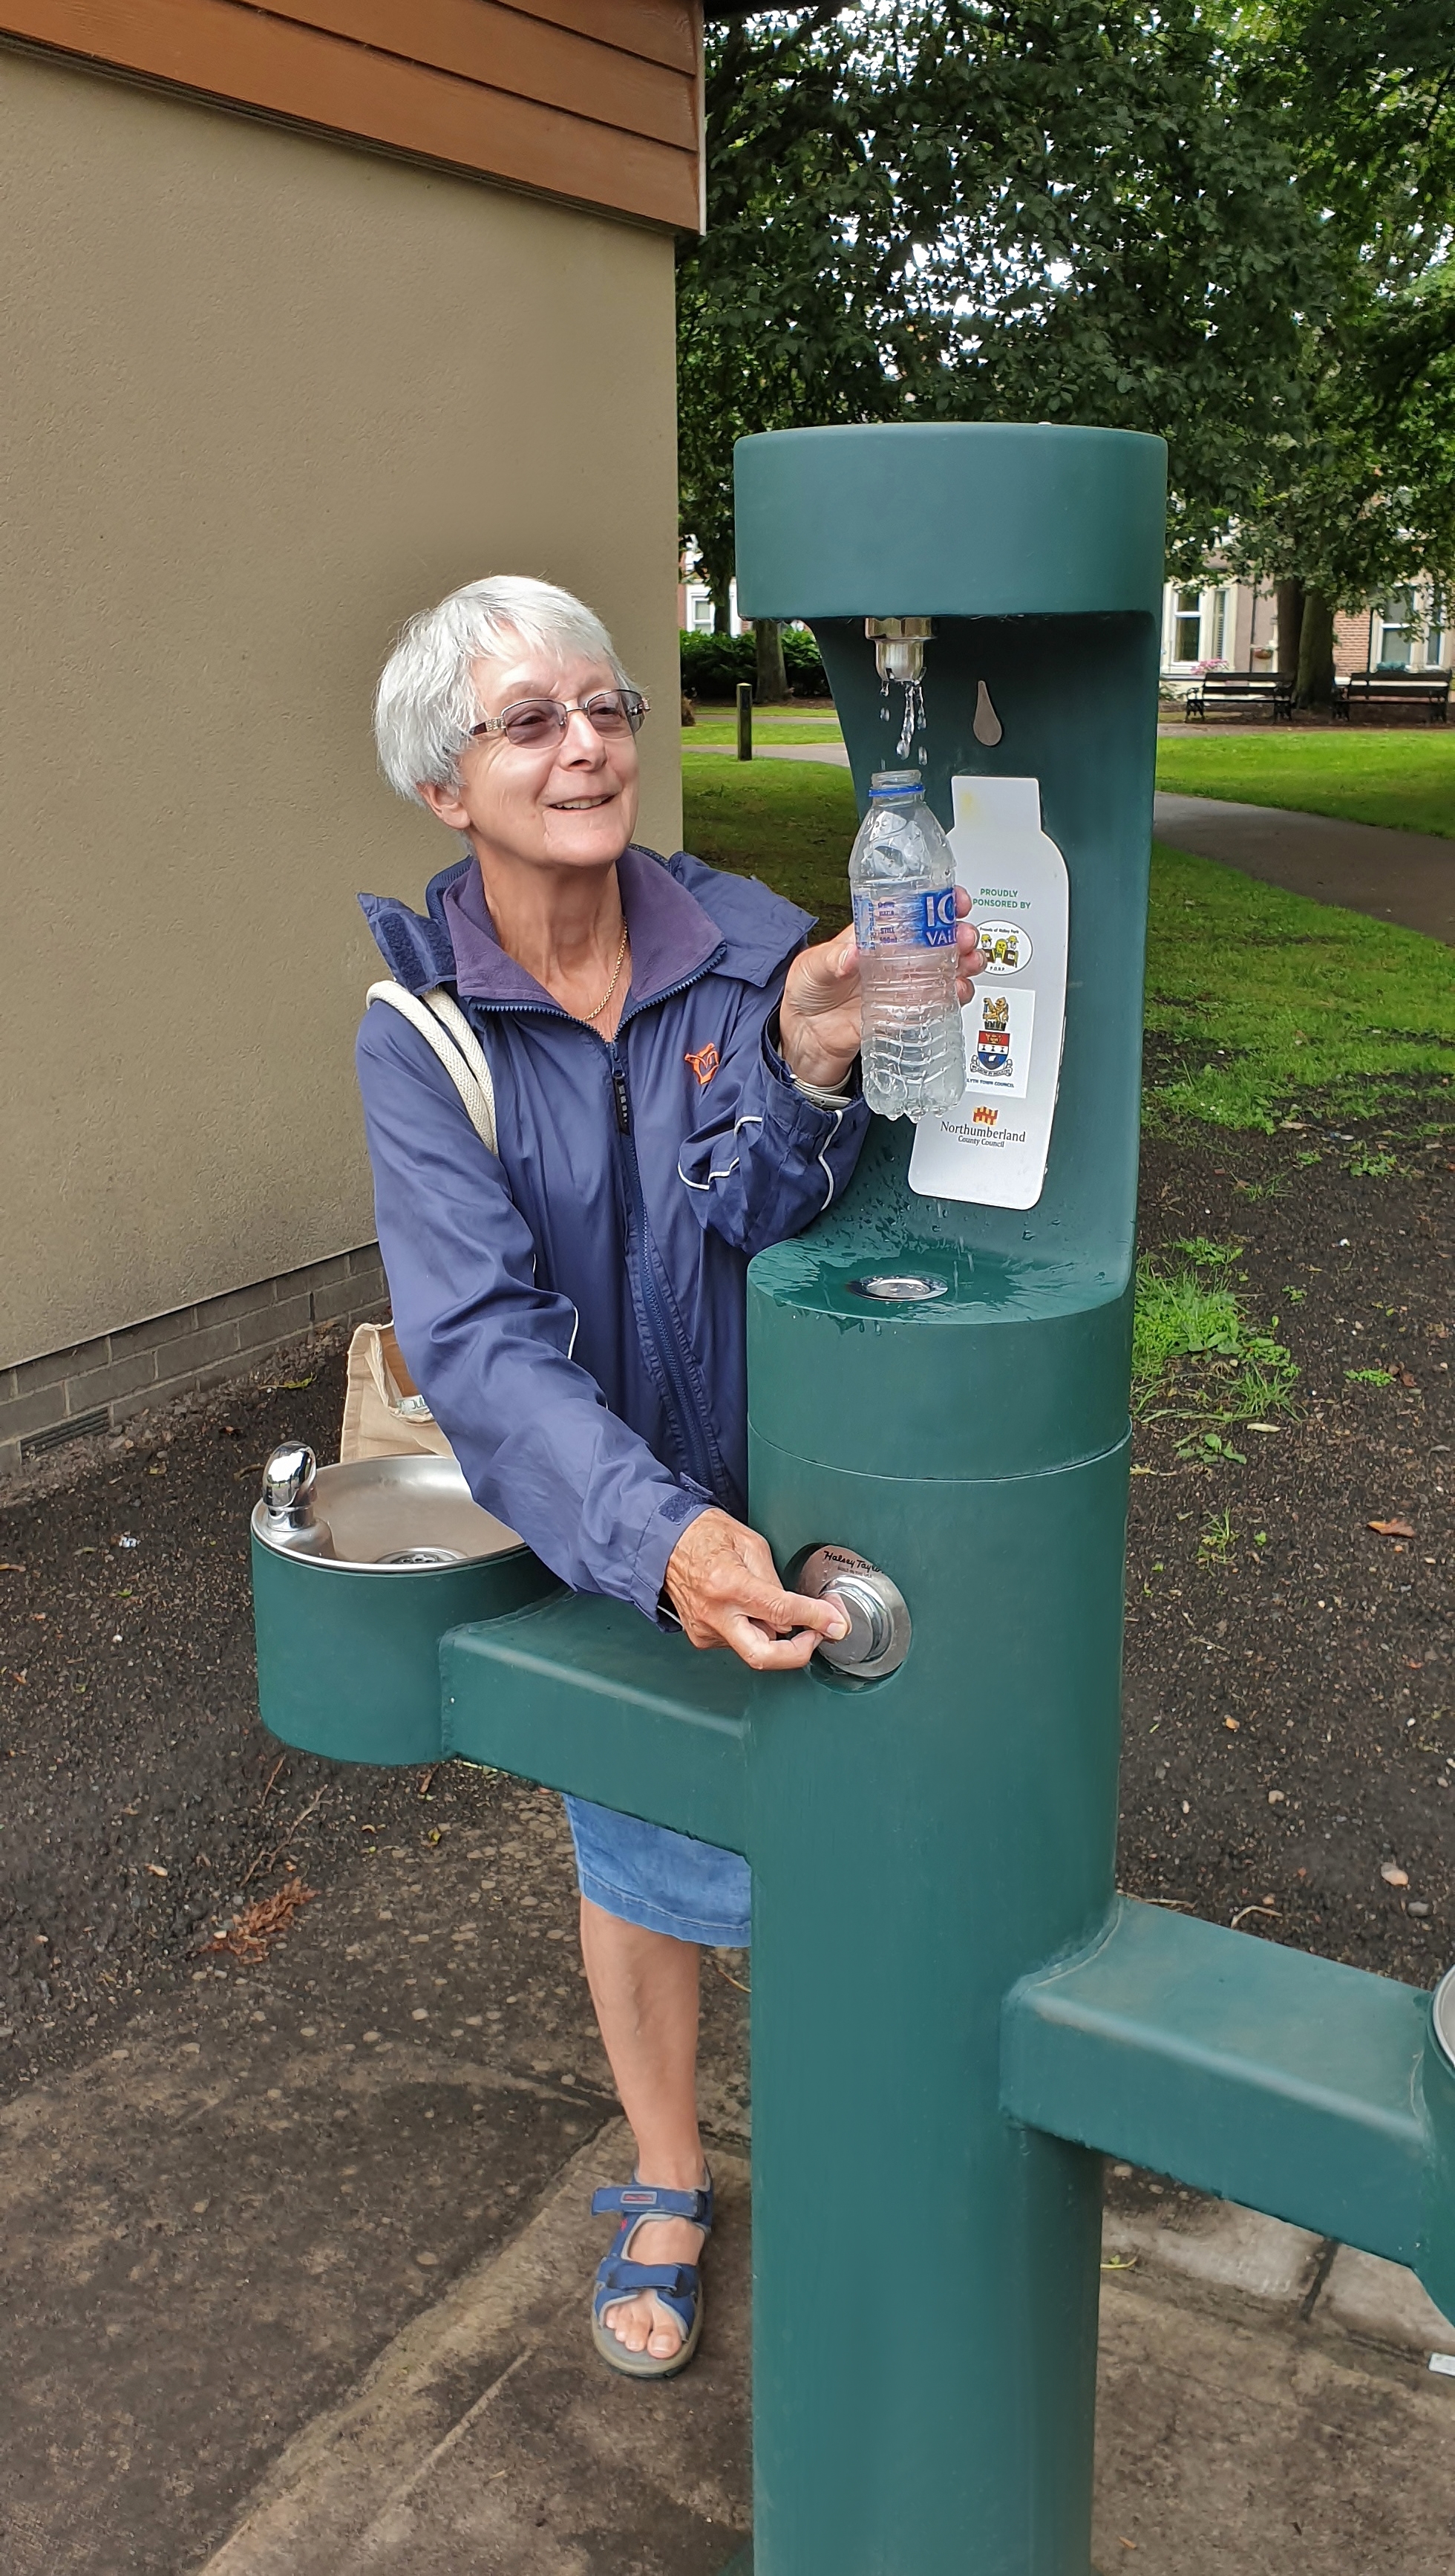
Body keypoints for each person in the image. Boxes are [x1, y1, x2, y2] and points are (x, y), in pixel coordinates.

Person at [356, 575, 985, 2378]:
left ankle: (876, 2181)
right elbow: (476, 1346)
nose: (586, 746)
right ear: (444, 790)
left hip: (799, 1490)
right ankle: (663, 2171)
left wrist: (801, 1057)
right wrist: (654, 1537)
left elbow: (763, 1219)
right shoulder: (425, 1036)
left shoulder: (748, 940)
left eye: (606, 704)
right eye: (529, 721)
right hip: (613, 1527)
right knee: (634, 1849)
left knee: (856, 1860)